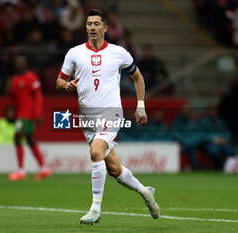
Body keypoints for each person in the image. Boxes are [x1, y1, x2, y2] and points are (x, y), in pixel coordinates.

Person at [56, 9, 159, 225]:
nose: (92, 27)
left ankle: (95, 209)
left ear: (105, 28)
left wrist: (140, 106)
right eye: (89, 24)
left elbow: (138, 78)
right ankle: (145, 192)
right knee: (114, 169)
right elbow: (59, 81)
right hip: (87, 119)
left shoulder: (118, 53)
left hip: (111, 113)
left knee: (95, 153)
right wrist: (66, 85)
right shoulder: (74, 53)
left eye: (96, 24)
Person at [8, 55, 52, 181]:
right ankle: (44, 168)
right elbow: (13, 97)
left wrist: (37, 114)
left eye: (21, 62)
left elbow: (38, 97)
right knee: (30, 139)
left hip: (27, 115)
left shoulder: (31, 77)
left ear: (26, 64)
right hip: (20, 114)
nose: (18, 64)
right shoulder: (15, 79)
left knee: (17, 137)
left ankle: (21, 171)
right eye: (16, 62)